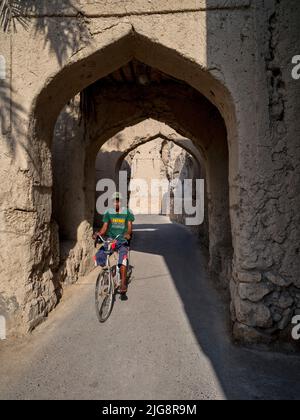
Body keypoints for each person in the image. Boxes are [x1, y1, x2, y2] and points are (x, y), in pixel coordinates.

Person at [94, 192, 135, 296]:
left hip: (122, 240)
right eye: (114, 201)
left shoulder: (127, 212)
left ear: (121, 202)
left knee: (123, 261)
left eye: (118, 200)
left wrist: (128, 233)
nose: (116, 203)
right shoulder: (108, 212)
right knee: (99, 255)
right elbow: (105, 227)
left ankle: (123, 283)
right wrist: (99, 234)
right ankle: (108, 273)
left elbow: (130, 226)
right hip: (112, 239)